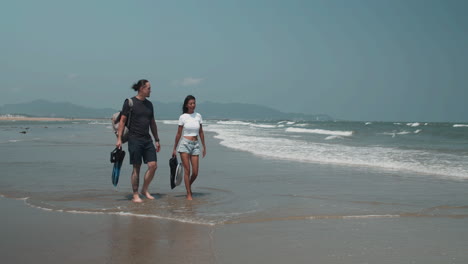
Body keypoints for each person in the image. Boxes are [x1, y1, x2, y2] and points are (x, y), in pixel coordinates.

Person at [116, 79, 161, 203]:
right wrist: (119, 138)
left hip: (147, 140)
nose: (150, 90)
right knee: (137, 167)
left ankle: (144, 190)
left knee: (153, 165)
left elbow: (152, 123)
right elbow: (122, 121)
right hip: (134, 139)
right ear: (141, 88)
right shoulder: (130, 102)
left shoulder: (149, 104)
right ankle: (135, 194)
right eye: (148, 88)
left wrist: (157, 139)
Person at [172, 95, 206, 200]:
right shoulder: (183, 117)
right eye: (191, 103)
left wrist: (204, 146)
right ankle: (188, 194)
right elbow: (178, 134)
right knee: (188, 170)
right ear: (187, 105)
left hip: (195, 144)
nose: (193, 105)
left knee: (195, 172)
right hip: (185, 144)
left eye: (194, 103)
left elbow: (201, 132)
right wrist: (174, 148)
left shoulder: (198, 116)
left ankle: (188, 186)